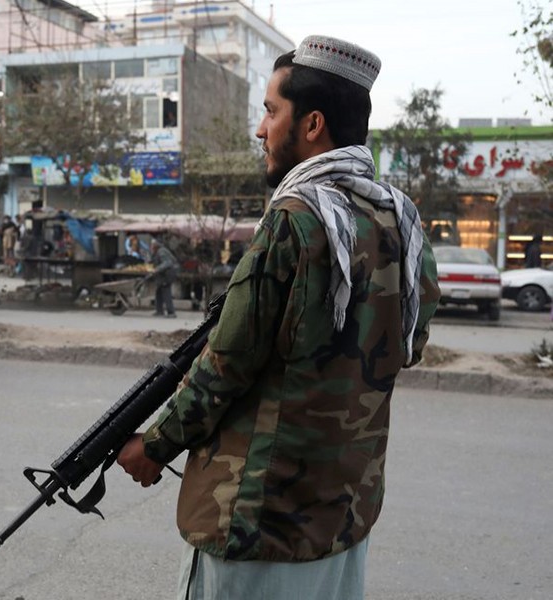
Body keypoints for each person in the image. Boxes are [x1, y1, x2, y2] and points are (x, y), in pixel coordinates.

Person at [117, 35, 440, 600]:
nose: (261, 129)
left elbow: (227, 363)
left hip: (260, 522)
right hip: (342, 516)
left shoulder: (295, 220)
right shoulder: (398, 221)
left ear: (312, 124)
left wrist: (156, 445)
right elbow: (407, 345)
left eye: (271, 111)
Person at [149, 237, 178, 318]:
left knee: (166, 292)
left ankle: (171, 312)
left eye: (152, 245)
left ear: (155, 245)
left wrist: (157, 269)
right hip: (163, 275)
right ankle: (159, 311)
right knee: (159, 291)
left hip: (167, 274)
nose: (151, 246)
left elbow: (167, 263)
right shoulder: (157, 252)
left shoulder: (162, 251)